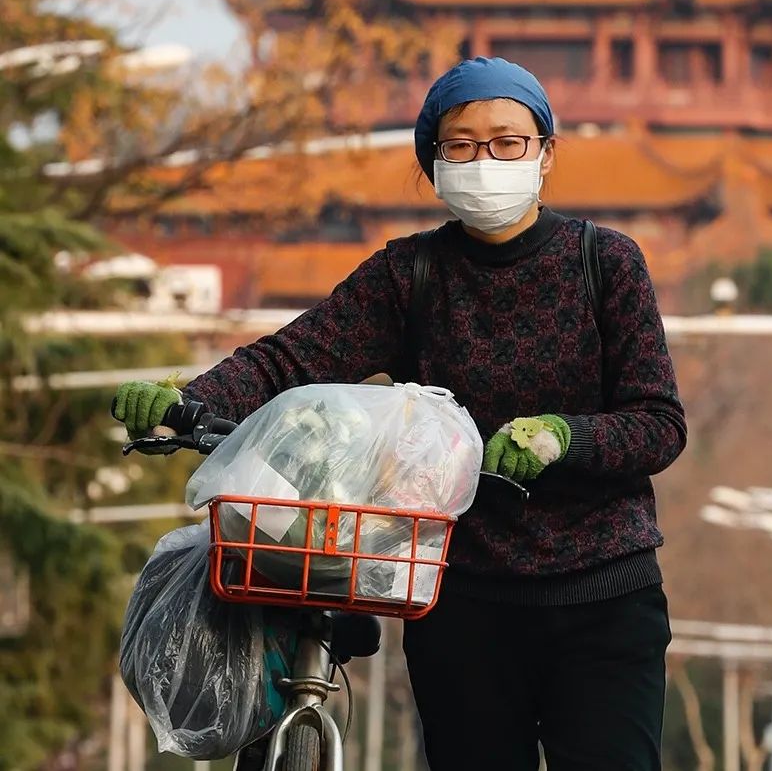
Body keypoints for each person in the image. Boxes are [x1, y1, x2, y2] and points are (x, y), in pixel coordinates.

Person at [114, 56, 687, 771]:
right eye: (463, 145)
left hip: (605, 595)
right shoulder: (409, 275)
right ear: (434, 161)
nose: (487, 160)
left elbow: (659, 422)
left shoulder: (606, 262)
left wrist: (563, 438)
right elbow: (291, 359)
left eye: (508, 142)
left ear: (545, 153)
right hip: (462, 599)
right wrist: (188, 398)